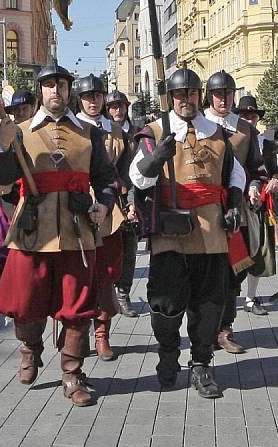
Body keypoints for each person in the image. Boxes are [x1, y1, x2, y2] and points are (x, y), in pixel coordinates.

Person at [0, 62, 117, 407]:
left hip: (77, 231)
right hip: (32, 230)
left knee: (77, 305)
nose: (57, 92)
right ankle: (30, 349)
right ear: (40, 92)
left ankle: (72, 374)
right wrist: (2, 147)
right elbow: (3, 184)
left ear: (69, 90)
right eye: (50, 86)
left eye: (62, 85)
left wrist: (103, 205)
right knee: (24, 302)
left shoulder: (89, 133)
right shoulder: (18, 131)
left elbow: (107, 180)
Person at [130, 66, 246, 398]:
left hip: (210, 228)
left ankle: (202, 364)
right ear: (171, 98)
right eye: (180, 95)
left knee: (209, 302)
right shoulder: (154, 131)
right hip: (171, 227)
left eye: (192, 94)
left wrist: (235, 203)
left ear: (200, 96)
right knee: (165, 301)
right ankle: (168, 354)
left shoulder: (218, 132)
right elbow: (137, 179)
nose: (187, 100)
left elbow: (235, 175)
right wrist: (156, 159)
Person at [203, 73, 262, 353]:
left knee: (232, 273)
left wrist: (254, 185)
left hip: (236, 210)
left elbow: (257, 167)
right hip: (203, 208)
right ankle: (204, 328)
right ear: (209, 96)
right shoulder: (198, 125)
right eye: (218, 93)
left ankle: (225, 328)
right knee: (204, 270)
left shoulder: (245, 129)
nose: (223, 98)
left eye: (228, 93)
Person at [76, 75, 133, 360]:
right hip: (76, 207)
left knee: (105, 274)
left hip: (109, 207)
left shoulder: (117, 130)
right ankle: (75, 334)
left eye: (98, 95)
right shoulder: (71, 126)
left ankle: (102, 335)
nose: (93, 101)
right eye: (88, 96)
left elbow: (127, 167)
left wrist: (124, 193)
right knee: (76, 273)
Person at [0, 89, 36, 281]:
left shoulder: (39, 134)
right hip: (6, 203)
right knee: (0, 246)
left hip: (34, 202)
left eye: (24, 108)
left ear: (33, 108)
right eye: (16, 110)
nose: (19, 113)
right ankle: (6, 297)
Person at [236, 95, 278, 315]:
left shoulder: (267, 145)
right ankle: (230, 294)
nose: (249, 120)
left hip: (257, 205)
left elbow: (276, 171)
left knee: (257, 251)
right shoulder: (229, 141)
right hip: (233, 204)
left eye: (252, 116)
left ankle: (251, 298)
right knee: (235, 252)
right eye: (244, 116)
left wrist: (275, 180)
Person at [105, 89, 139, 318]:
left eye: (120, 105)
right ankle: (106, 292)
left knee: (129, 248)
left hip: (131, 196)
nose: (117, 110)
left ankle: (123, 293)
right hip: (108, 196)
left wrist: (134, 201)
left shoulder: (138, 132)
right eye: (113, 106)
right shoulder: (103, 132)